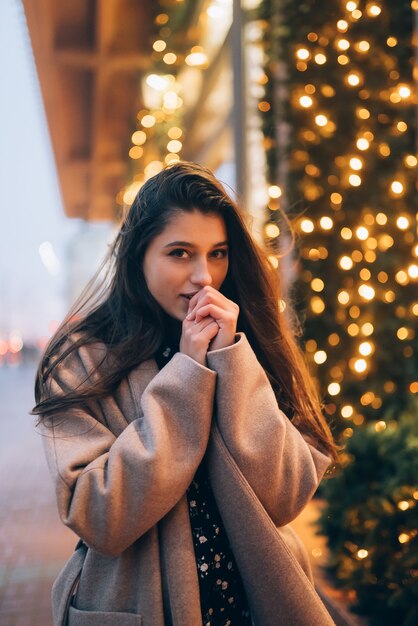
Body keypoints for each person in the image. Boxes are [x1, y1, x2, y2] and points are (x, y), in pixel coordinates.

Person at [32, 161, 339, 626]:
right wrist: (189, 373)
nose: (205, 276)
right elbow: (99, 515)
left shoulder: (244, 339)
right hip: (138, 606)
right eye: (180, 253)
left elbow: (285, 496)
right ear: (137, 257)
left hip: (251, 605)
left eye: (217, 253)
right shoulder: (83, 360)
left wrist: (231, 361)